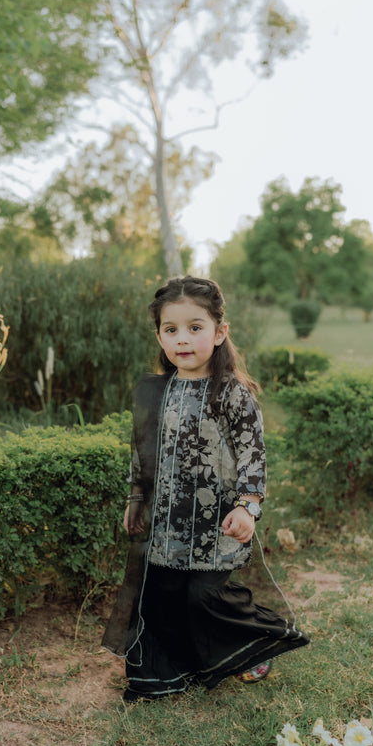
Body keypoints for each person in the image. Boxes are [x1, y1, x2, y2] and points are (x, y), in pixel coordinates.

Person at [102, 275, 309, 701]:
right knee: (162, 597)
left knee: (205, 596)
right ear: (159, 335)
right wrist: (136, 498)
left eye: (195, 327)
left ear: (219, 332)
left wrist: (248, 507)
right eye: (170, 329)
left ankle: (251, 649)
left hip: (217, 523)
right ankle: (165, 674)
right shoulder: (155, 393)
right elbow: (142, 454)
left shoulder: (231, 392)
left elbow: (253, 453)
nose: (182, 339)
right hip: (167, 522)